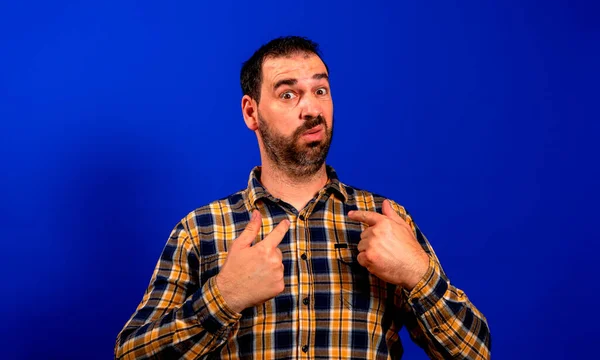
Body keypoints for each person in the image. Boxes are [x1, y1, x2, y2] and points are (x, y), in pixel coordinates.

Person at [114, 36, 491, 359]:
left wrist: (416, 274)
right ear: (251, 112)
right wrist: (224, 298)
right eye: (288, 93)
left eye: (320, 90)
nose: (311, 108)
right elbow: (132, 352)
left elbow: (475, 352)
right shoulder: (201, 230)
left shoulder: (386, 221)